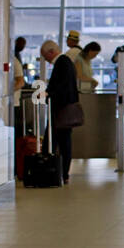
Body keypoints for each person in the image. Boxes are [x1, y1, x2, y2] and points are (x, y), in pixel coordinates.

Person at [41, 39, 79, 184]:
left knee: (54, 141)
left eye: (45, 56)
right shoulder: (66, 62)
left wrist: (48, 94)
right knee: (63, 142)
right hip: (64, 109)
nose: (46, 59)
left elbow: (61, 87)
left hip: (60, 110)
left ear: (51, 52)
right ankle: (63, 173)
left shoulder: (61, 63)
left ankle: (53, 171)